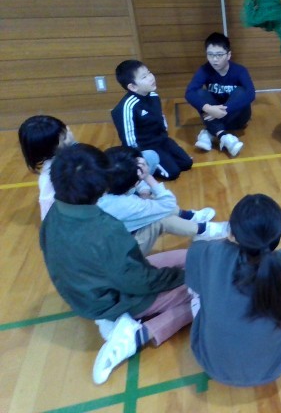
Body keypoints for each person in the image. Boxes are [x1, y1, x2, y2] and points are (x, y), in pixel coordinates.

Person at [39, 144, 194, 384]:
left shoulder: (54, 214)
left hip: (86, 293)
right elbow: (138, 281)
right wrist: (183, 277)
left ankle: (117, 321)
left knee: (187, 258)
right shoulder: (104, 229)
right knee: (203, 289)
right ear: (103, 185)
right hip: (114, 299)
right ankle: (139, 335)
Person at [186, 194, 281, 386]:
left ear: (231, 234)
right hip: (273, 368)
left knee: (198, 297)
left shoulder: (206, 252)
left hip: (211, 363)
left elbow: (195, 289)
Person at [97, 146, 227, 256]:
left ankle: (188, 217)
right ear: (136, 182)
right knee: (160, 219)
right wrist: (147, 176)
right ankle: (202, 230)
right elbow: (168, 204)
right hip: (120, 255)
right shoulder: (126, 205)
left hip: (106, 241)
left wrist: (142, 188)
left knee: (150, 157)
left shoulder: (97, 182)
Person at [112, 59, 193, 181]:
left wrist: (165, 137)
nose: (151, 78)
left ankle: (165, 158)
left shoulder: (154, 96)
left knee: (186, 163)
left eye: (149, 73)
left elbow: (160, 118)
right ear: (133, 87)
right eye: (144, 77)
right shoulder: (127, 107)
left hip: (161, 140)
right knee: (173, 173)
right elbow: (129, 141)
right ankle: (146, 167)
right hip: (146, 148)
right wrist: (139, 158)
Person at [185, 32, 256, 157]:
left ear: (228, 55)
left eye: (219, 55)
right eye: (210, 54)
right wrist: (209, 109)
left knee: (241, 91)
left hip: (238, 117)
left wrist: (224, 110)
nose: (214, 59)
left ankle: (209, 132)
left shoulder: (240, 71)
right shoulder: (205, 70)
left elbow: (251, 94)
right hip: (214, 113)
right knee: (200, 93)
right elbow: (189, 92)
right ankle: (223, 136)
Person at [18, 115, 76, 220]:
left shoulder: (72, 153)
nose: (70, 132)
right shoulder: (48, 179)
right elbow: (47, 212)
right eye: (64, 136)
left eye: (66, 129)